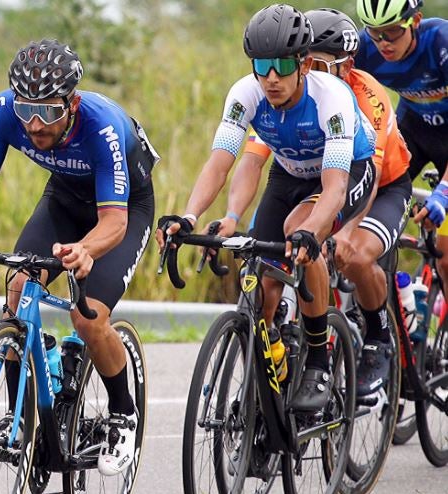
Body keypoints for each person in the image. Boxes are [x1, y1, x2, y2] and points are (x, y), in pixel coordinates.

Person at [156, 4, 377, 412]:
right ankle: (269, 381)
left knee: (299, 230)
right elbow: (223, 163)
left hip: (346, 172)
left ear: (304, 64)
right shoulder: (246, 94)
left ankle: (317, 360)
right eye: (262, 65)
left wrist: (311, 233)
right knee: (260, 283)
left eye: (282, 65)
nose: (271, 77)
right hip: (289, 172)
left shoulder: (331, 98)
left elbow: (333, 187)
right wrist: (193, 216)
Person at [0, 38, 159, 476]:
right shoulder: (1, 114)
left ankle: (123, 413)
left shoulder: (102, 127)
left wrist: (86, 248)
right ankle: (19, 415)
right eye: (26, 110)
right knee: (19, 289)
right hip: (63, 198)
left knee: (88, 318)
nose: (35, 124)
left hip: (123, 208)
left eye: (48, 112)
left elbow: (114, 223)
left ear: (72, 103)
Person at [234, 9, 412, 398]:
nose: (309, 73)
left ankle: (377, 336)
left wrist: (342, 231)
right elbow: (256, 157)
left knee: (353, 253)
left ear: (346, 65)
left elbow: (366, 176)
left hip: (380, 186)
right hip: (318, 181)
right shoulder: (292, 94)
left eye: (318, 65)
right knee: (273, 253)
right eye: (306, 63)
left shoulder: (364, 96)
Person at [353, 0, 448, 300]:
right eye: (375, 32)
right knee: (368, 197)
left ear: (415, 21)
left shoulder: (440, 42)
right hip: (413, 130)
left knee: (446, 259)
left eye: (392, 31)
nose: (383, 42)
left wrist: (444, 193)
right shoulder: (364, 48)